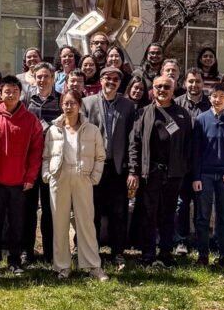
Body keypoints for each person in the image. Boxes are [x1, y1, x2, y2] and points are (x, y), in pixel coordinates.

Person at [42, 88, 108, 280]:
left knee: (86, 223)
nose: (69, 107)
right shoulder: (53, 130)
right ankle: (62, 267)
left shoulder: (92, 130)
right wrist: (47, 174)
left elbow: (100, 156)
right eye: (65, 103)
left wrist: (93, 177)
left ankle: (93, 267)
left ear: (80, 106)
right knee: (60, 223)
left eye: (73, 103)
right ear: (61, 105)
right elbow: (46, 156)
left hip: (82, 178)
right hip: (59, 177)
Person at [127, 76, 194, 267]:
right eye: (158, 87)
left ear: (173, 90)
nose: (162, 90)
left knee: (168, 214)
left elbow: (188, 143)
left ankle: (165, 252)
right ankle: (148, 254)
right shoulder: (143, 113)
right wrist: (134, 170)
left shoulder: (182, 114)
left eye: (166, 87)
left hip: (173, 174)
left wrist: (184, 166)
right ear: (153, 90)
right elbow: (135, 144)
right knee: (149, 215)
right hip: (150, 173)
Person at [0, 75, 45, 277]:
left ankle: (15, 261)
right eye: (7, 91)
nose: (10, 94)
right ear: (0, 93)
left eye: (15, 91)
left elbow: (36, 151)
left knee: (18, 224)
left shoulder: (30, 120)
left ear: (21, 94)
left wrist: (30, 177)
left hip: (20, 183)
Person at [83, 66, 137, 269]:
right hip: (94, 167)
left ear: (120, 83)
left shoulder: (128, 106)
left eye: (115, 79)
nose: (111, 82)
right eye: (107, 78)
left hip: (117, 167)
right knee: (92, 212)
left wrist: (132, 169)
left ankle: (118, 252)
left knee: (119, 212)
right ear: (101, 79)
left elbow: (133, 140)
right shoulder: (87, 104)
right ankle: (91, 251)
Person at [191, 82, 224, 267]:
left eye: (222, 96)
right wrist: (196, 177)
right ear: (209, 98)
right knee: (202, 217)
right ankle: (202, 255)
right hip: (204, 175)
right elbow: (195, 151)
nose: (218, 99)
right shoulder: (201, 119)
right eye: (214, 96)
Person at [23, 62, 61, 265]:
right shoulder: (27, 99)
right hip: (30, 162)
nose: (42, 80)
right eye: (38, 76)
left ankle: (50, 253)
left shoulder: (61, 100)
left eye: (46, 76)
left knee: (50, 209)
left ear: (53, 78)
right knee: (28, 210)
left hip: (52, 162)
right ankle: (26, 252)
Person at [173, 68, 212, 254]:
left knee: (201, 204)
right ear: (184, 83)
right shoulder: (177, 104)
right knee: (181, 204)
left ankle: (200, 239)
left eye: (197, 81)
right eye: (190, 81)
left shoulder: (209, 105)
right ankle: (181, 240)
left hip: (204, 163)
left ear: (203, 84)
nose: (194, 85)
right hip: (182, 163)